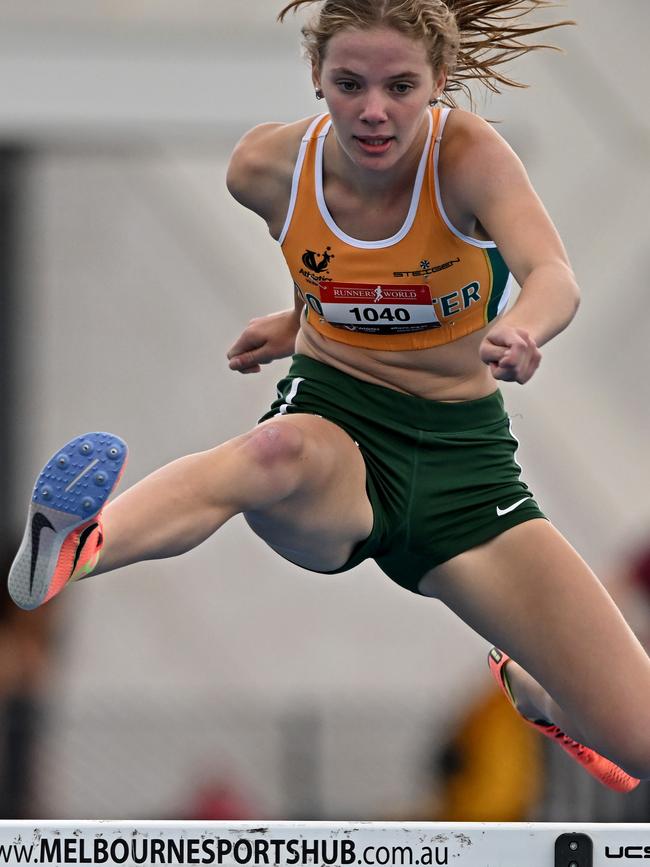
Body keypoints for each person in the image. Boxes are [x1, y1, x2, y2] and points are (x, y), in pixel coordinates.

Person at [8, 0, 650, 793]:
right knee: (271, 452)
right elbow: (338, 266)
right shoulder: (264, 170)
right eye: (348, 84)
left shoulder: (472, 159)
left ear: (440, 82)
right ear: (315, 76)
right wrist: (301, 324)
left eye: (400, 87)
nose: (373, 111)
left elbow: (554, 274)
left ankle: (551, 697)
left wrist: (524, 327)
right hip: (336, 434)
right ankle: (78, 544)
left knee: (640, 737)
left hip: (467, 475)